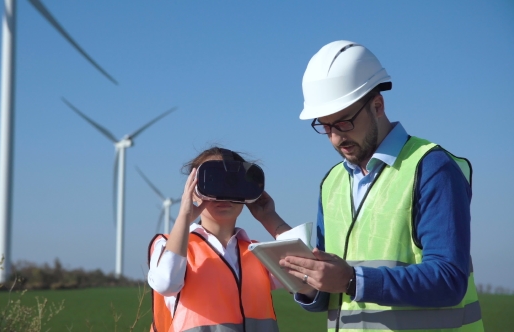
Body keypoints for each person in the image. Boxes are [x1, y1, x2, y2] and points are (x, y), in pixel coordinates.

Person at [257, 40, 484, 331]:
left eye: (344, 123)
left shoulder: (431, 168)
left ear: (377, 105)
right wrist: (309, 284)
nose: (336, 138)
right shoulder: (332, 183)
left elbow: (450, 279)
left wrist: (353, 280)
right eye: (325, 127)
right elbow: (334, 289)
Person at [147, 147, 293, 332]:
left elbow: (306, 275)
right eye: (214, 181)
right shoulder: (167, 246)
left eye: (233, 183)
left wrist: (269, 217)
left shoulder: (258, 252)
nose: (223, 195)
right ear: (193, 189)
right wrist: (184, 215)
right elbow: (166, 284)